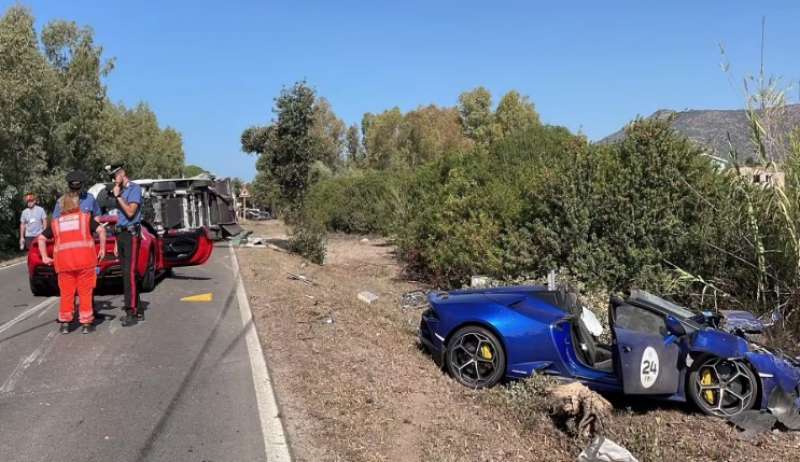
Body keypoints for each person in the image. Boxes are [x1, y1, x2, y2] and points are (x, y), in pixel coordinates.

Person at [38, 172, 107, 334]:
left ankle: (65, 323)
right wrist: (102, 248)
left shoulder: (56, 222)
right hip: (85, 260)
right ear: (77, 205)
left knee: (66, 293)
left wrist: (44, 256)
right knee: (85, 292)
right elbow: (101, 231)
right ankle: (86, 324)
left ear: (61, 207)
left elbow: (41, 238)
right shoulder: (84, 218)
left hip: (63, 263)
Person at [105, 163, 144, 326]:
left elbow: (130, 212)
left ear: (122, 174)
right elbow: (118, 218)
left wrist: (118, 197)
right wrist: (115, 240)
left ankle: (132, 311)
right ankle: (138, 308)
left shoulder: (134, 189)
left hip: (131, 235)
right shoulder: (120, 191)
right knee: (126, 273)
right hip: (121, 233)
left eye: (115, 176)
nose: (114, 180)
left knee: (129, 273)